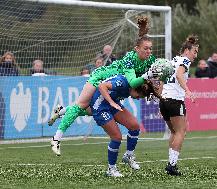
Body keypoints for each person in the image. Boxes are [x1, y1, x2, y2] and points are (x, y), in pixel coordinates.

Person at [49, 16, 159, 151]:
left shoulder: (149, 58)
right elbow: (133, 81)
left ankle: (61, 111)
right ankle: (56, 139)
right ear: (138, 49)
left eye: (150, 49)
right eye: (146, 49)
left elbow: (145, 50)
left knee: (89, 111)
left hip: (112, 84)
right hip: (101, 76)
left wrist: (155, 90)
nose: (149, 51)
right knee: (81, 105)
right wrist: (148, 77)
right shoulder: (130, 59)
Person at [51, 74, 158, 176]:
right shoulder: (122, 83)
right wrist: (111, 102)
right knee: (116, 137)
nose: (138, 98)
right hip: (100, 107)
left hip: (111, 103)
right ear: (135, 89)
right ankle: (111, 169)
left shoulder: (134, 83)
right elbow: (102, 86)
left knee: (134, 126)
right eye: (139, 95)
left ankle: (128, 155)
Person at [159, 35, 198, 176]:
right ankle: (172, 165)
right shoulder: (185, 61)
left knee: (174, 132)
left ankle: (171, 164)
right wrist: (187, 90)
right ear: (187, 50)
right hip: (175, 100)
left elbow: (163, 79)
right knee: (181, 132)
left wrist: (161, 97)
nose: (195, 55)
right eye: (194, 51)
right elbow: (179, 75)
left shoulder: (172, 60)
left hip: (164, 100)